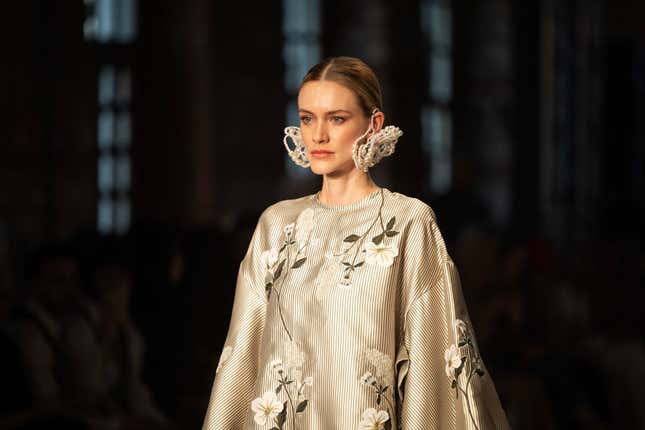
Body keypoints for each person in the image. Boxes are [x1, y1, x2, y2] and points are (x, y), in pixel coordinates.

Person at [202, 56, 510, 429]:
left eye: (337, 118)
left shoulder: (408, 223)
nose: (317, 135)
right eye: (307, 118)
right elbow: (242, 359)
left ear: (373, 123)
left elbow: (431, 367)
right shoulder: (277, 226)